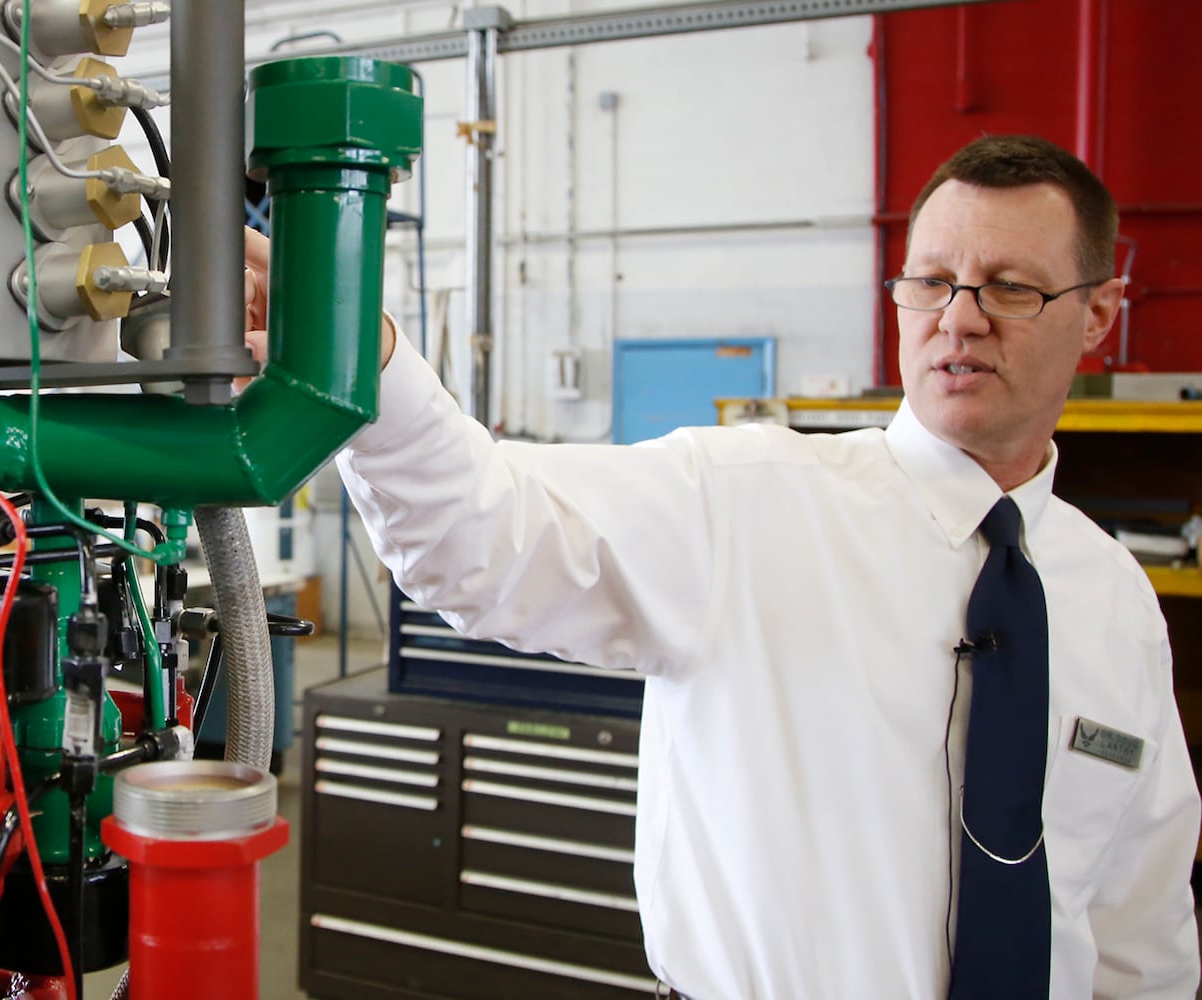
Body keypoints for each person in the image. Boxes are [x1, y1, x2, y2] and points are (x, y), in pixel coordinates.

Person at [243, 135, 1201, 997]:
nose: (960, 317)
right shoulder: (750, 497)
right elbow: (480, 541)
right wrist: (354, 356)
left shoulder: (1112, 600)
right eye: (932, 280)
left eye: (1010, 287)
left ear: (1098, 316)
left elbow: (1139, 928)